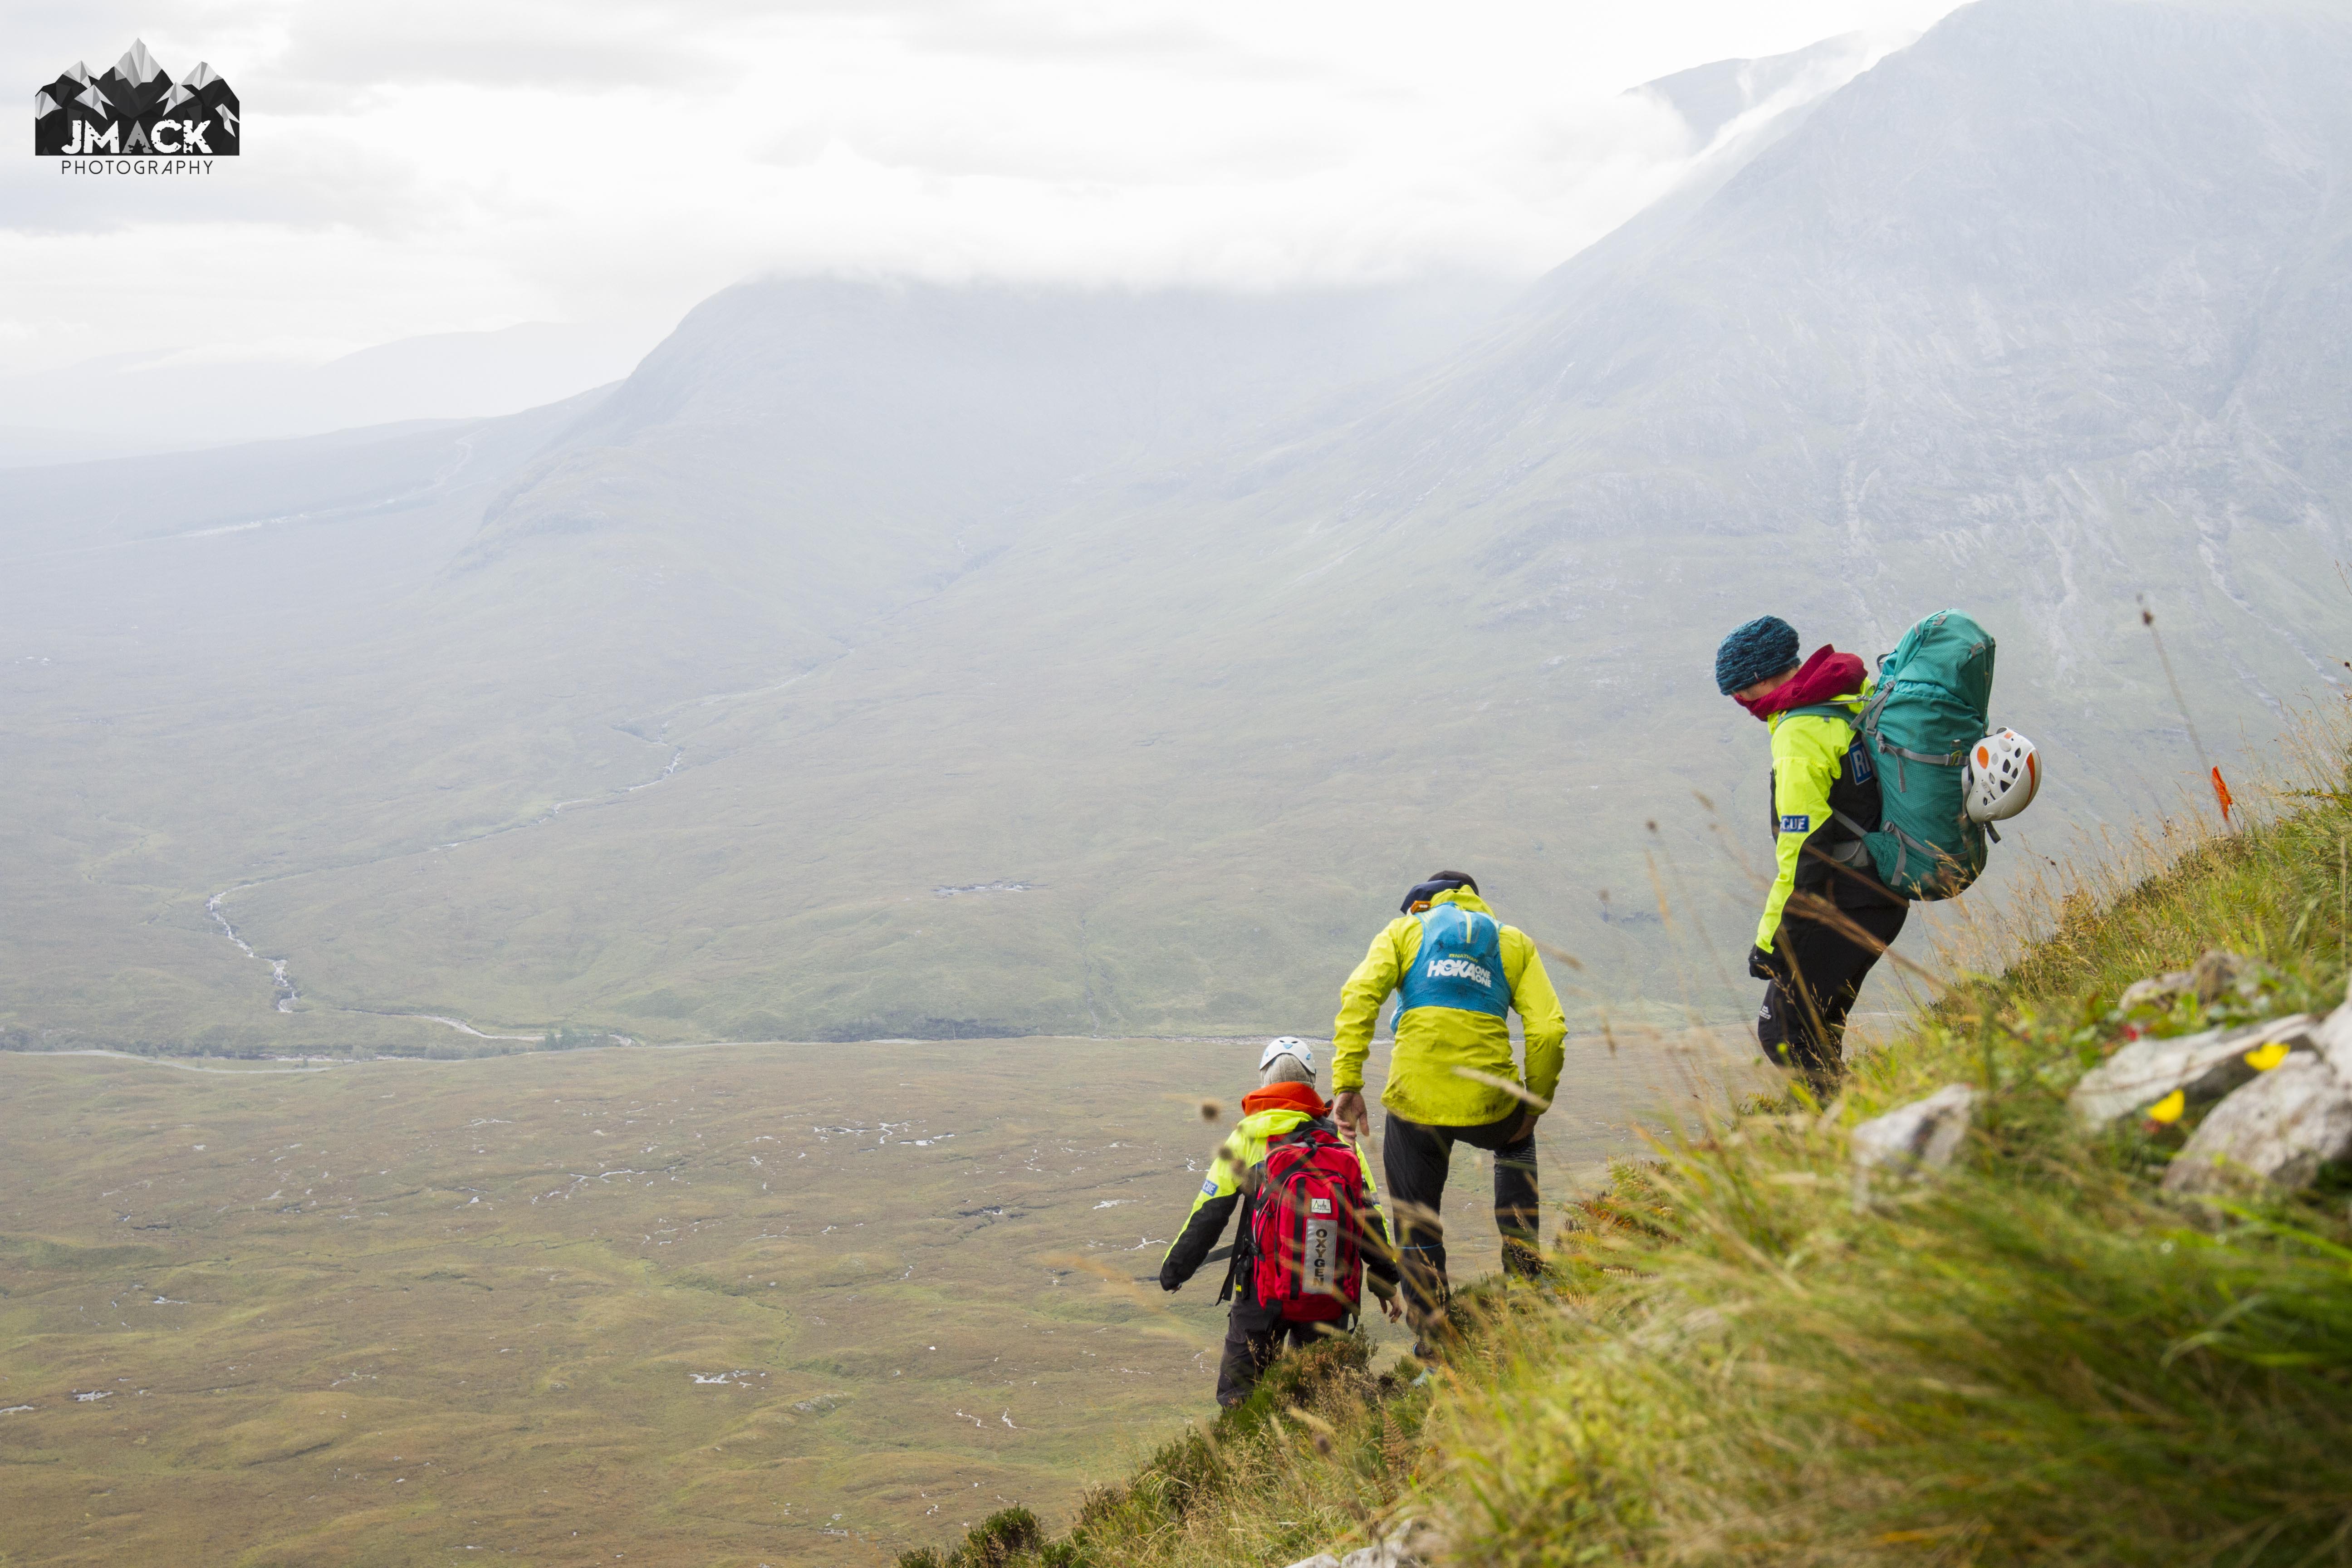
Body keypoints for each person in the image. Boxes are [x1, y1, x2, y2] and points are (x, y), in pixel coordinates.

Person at [1330, 874, 1565, 1346]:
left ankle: (1435, 1349)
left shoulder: (1404, 932)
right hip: (1492, 1101)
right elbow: (1548, 1031)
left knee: (1415, 1221)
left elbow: (1359, 996)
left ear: (1421, 905)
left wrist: (1348, 1083)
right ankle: (1526, 1285)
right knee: (1517, 1141)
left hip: (1414, 1101)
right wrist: (1534, 1106)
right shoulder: (1513, 943)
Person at [1715, 615, 1909, 1097]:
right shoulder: (1846, 698)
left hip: (1847, 900)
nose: (1740, 701)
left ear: (1761, 677)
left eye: (1739, 689)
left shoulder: (1799, 731)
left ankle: (1853, 1126)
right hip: (1883, 891)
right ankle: (1857, 1120)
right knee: (1818, 1031)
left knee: (1782, 1034)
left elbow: (1803, 850)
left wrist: (1772, 942)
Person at [1159, 1037, 1401, 1407]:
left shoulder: (1247, 1136)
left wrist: (1175, 1272)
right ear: (1311, 1083)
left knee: (1242, 1399)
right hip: (1329, 1292)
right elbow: (1369, 1215)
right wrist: (1385, 1279)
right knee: (1324, 1399)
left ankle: (1250, 1446)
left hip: (1261, 1293)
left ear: (1265, 1081)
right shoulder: (1340, 1139)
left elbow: (1210, 1212)